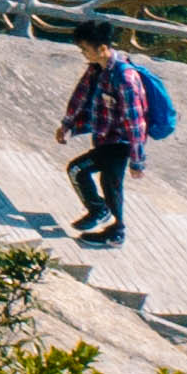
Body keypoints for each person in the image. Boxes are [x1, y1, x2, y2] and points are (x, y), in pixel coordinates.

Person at [59, 34, 163, 248]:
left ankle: (115, 230)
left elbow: (136, 121)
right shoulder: (97, 69)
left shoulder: (125, 78)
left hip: (121, 142)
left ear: (102, 48)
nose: (83, 54)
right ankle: (103, 215)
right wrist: (67, 125)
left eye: (86, 49)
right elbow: (80, 95)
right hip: (105, 138)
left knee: (87, 174)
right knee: (103, 181)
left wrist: (137, 161)